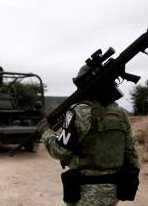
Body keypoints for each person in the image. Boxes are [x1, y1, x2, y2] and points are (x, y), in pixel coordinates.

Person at [37, 70, 140, 206]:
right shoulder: (121, 113)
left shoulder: (78, 112)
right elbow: (131, 155)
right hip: (112, 192)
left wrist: (45, 132)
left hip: (84, 195)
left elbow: (59, 151)